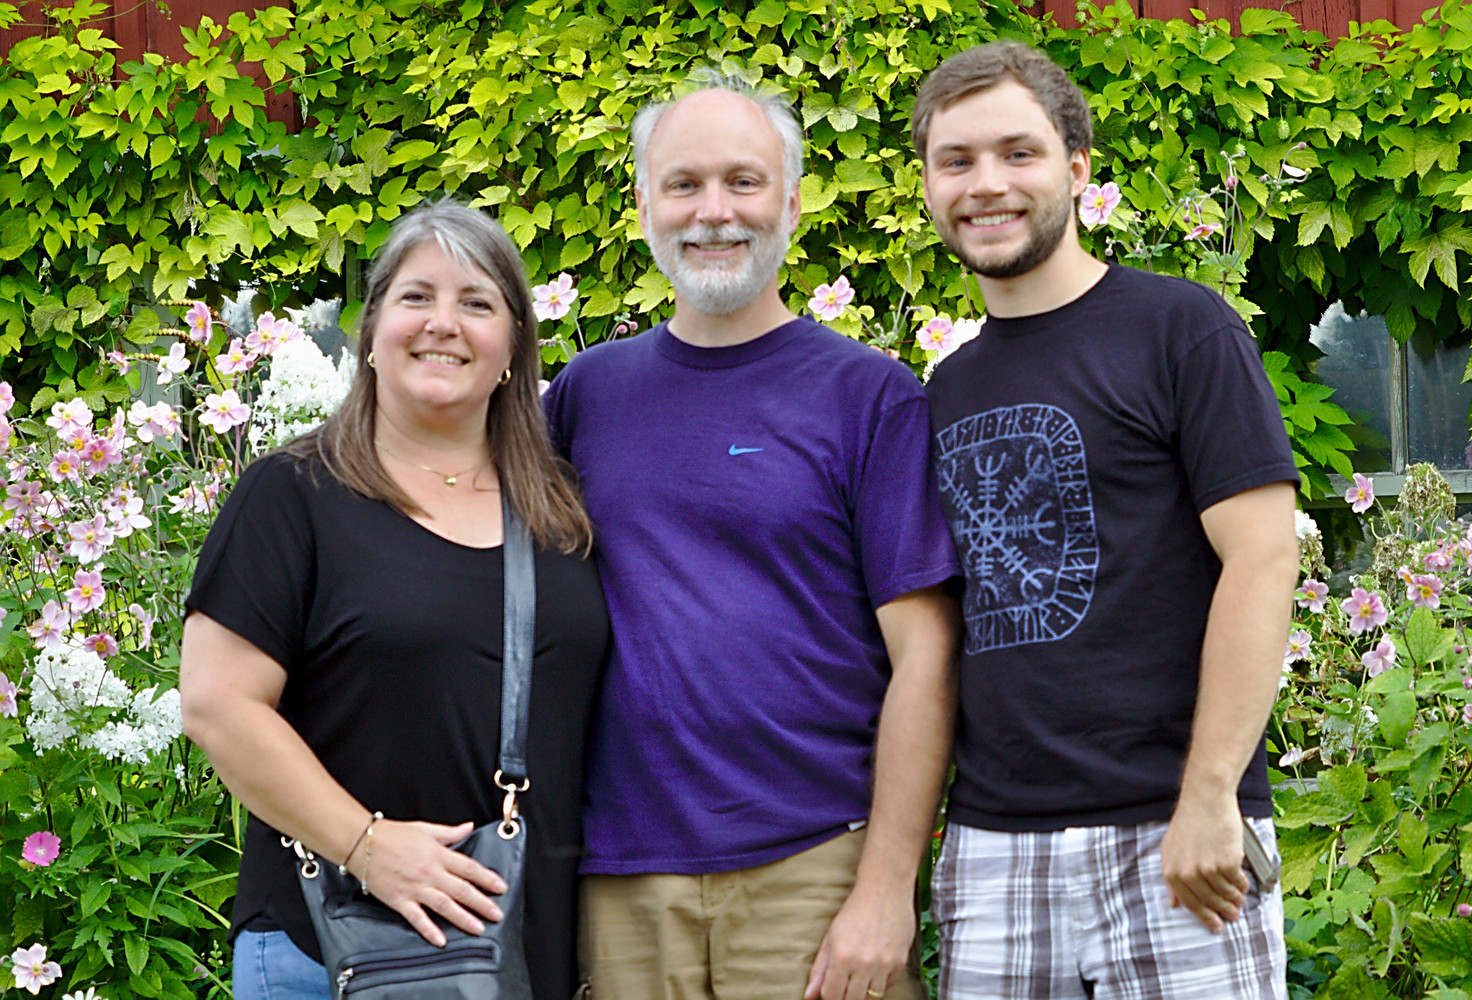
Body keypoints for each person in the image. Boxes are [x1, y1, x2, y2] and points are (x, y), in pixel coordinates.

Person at [542, 70, 961, 1000]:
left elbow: (925, 657)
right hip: (623, 877)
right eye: (684, 184)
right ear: (643, 204)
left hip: (814, 868)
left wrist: (885, 890)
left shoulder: (869, 397)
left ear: (793, 203)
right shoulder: (585, 397)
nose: (713, 211)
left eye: (743, 181)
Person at [913, 42, 1299, 1000]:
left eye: (1019, 153)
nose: (986, 184)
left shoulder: (1182, 329)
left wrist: (1210, 795)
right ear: (928, 185)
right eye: (956, 161)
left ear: (1078, 168)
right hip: (996, 846)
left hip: (1179, 837)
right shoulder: (945, 388)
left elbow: (1262, 557)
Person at [179, 200, 610, 1000]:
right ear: (372, 330)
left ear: (513, 348)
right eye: (417, 297)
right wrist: (367, 847)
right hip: (332, 948)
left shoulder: (558, 513)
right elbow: (218, 706)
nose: (443, 323)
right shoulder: (293, 494)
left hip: (517, 958)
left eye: (476, 303)